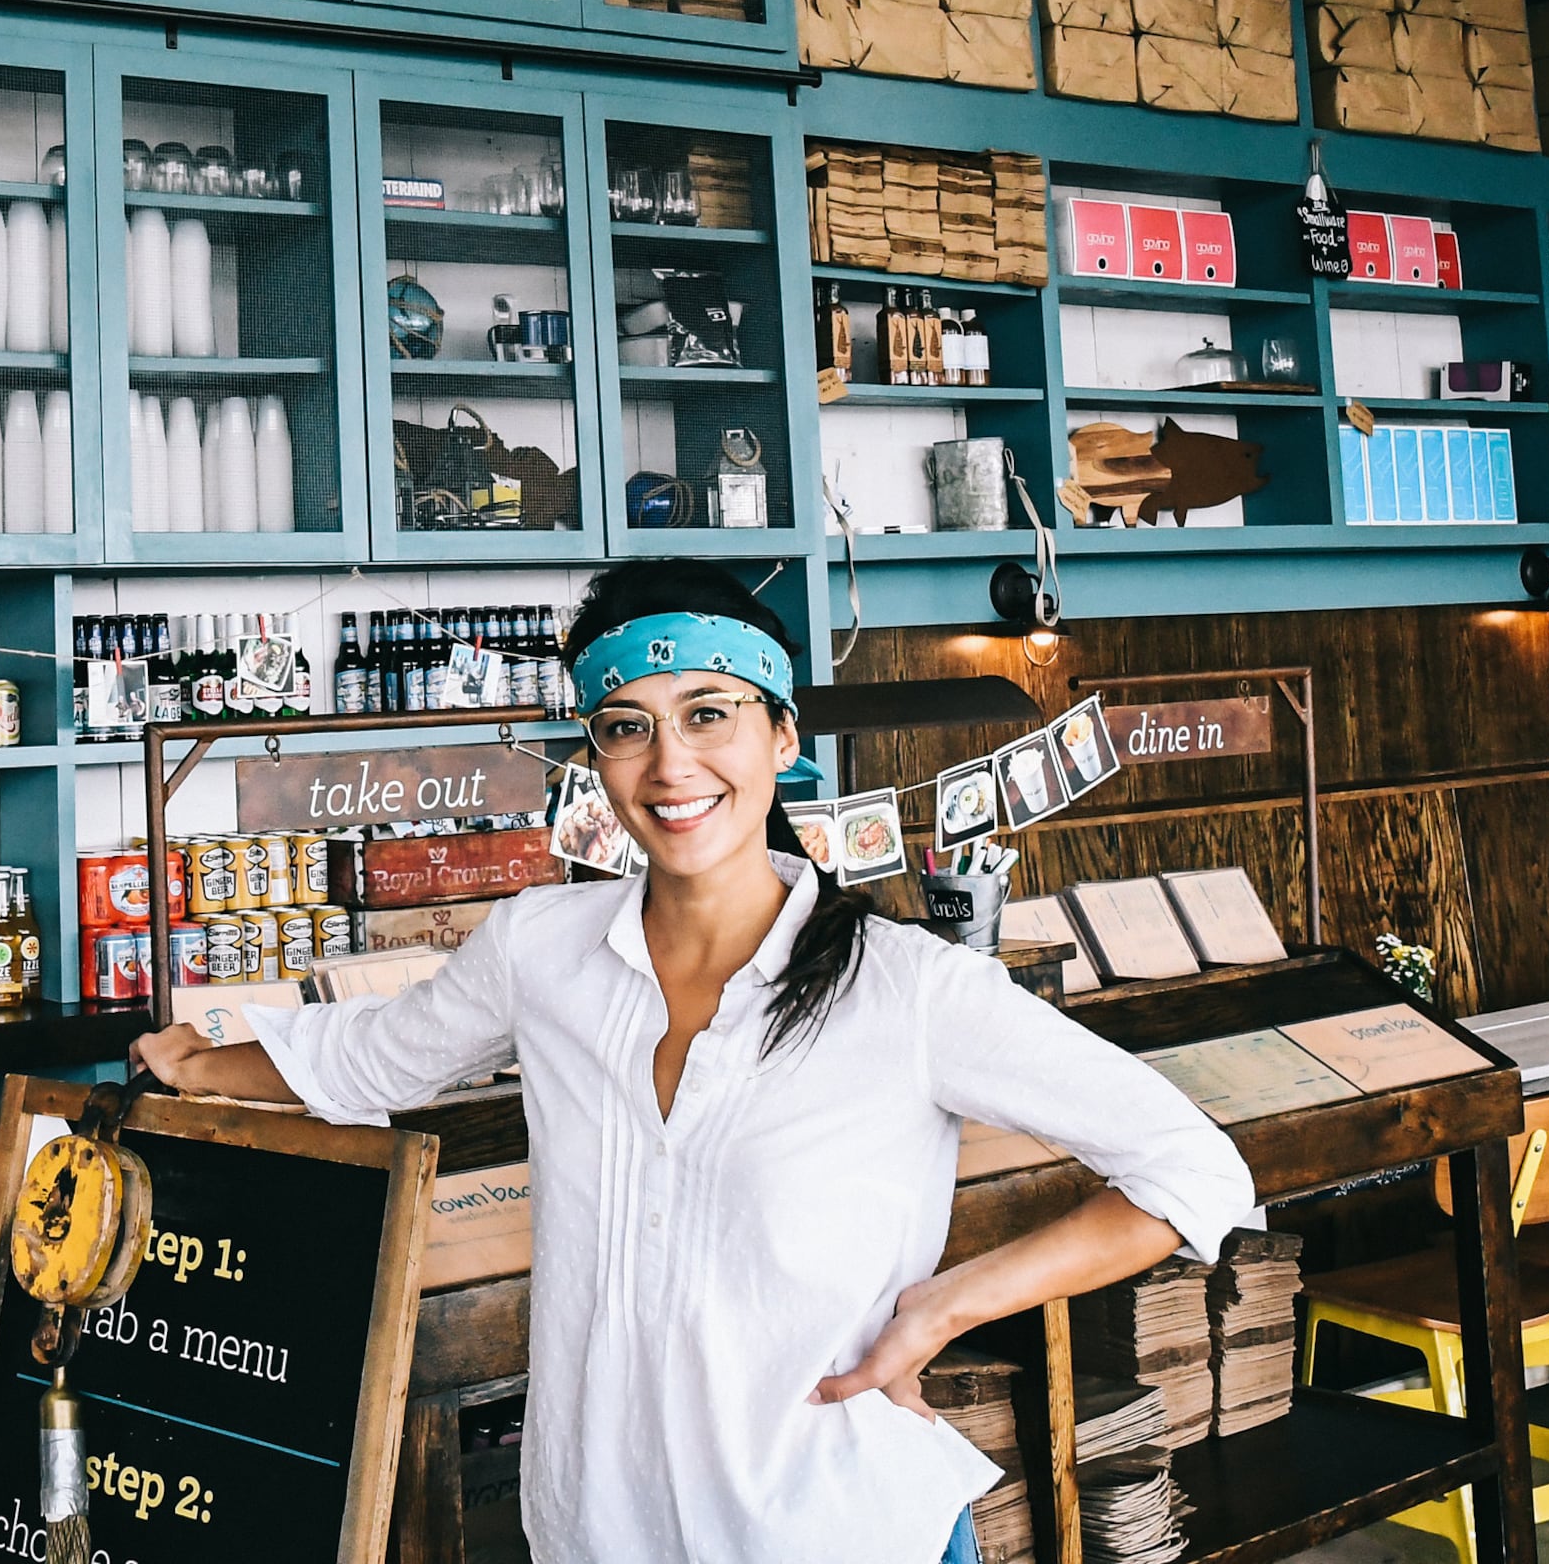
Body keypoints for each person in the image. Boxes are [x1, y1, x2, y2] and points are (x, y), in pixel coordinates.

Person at [132, 562, 1255, 1564]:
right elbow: (374, 1057)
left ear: (782, 736)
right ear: (596, 755)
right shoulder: (543, 949)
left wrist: (944, 1307)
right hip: (594, 1527)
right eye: (627, 726)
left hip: (834, 1529)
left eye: (710, 714)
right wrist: (202, 1063)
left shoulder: (906, 987)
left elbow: (1194, 1169)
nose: (671, 766)